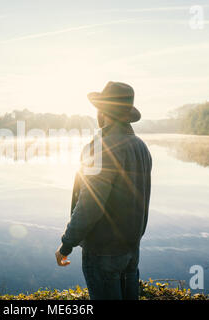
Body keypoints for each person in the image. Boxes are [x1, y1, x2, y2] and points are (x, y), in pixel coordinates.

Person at [55, 81, 152, 300]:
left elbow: (90, 205)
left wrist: (66, 244)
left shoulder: (102, 147)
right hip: (131, 247)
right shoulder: (140, 146)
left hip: (103, 251)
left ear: (103, 111)